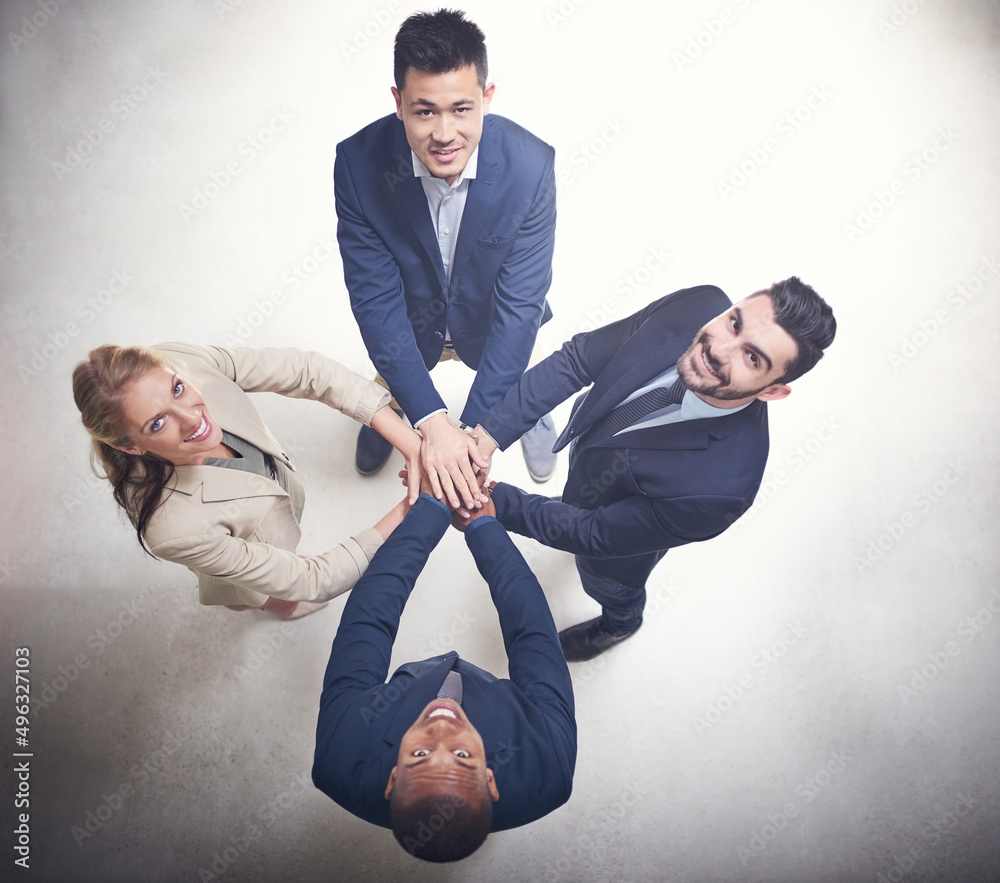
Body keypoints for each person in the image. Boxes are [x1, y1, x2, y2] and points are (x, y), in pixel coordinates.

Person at [465, 278, 837, 660]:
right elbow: (579, 359)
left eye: (753, 358)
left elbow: (593, 533)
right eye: (734, 323)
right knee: (578, 498)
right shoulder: (698, 303)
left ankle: (620, 624)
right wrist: (487, 436)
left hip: (615, 549)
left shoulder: (721, 490)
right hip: (597, 464)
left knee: (606, 584)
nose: (719, 349)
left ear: (772, 391)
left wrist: (493, 500)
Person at [335, 8, 558, 509]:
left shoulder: (532, 165)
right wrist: (430, 421)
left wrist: (478, 437)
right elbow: (374, 301)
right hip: (410, 324)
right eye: (424, 111)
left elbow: (521, 307)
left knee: (518, 370)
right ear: (398, 102)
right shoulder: (356, 164)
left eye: (461, 109)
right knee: (397, 385)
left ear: (487, 98)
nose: (444, 134)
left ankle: (526, 409)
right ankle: (393, 408)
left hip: (493, 322)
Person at [312, 487, 576, 862]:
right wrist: (483, 526)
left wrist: (430, 510)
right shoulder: (548, 764)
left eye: (419, 753)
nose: (441, 726)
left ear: (391, 779)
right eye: (463, 754)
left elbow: (370, 621)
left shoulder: (341, 754)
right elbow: (531, 635)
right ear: (490, 779)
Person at [72, 342, 422, 618]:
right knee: (260, 596)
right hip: (243, 560)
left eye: (178, 390)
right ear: (130, 446)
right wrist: (410, 508)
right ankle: (281, 611)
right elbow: (311, 579)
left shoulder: (177, 360)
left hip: (273, 510)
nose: (192, 419)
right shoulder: (173, 529)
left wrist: (412, 445)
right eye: (157, 423)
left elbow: (305, 370)